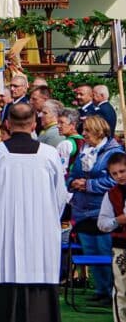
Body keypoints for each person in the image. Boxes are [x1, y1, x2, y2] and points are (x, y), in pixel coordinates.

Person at [0, 103, 67, 322]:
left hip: (5, 234)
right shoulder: (49, 155)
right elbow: (59, 197)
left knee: (7, 291)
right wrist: (47, 220)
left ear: (8, 124)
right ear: (34, 124)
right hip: (41, 237)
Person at [68, 115, 125, 302]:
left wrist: (89, 185)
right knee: (90, 251)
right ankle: (101, 289)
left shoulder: (113, 152)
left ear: (98, 131)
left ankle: (113, 291)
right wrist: (73, 182)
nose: (83, 134)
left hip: (102, 208)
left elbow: (113, 179)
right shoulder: (83, 151)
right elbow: (73, 173)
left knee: (105, 252)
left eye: (87, 130)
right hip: (82, 210)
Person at [97, 153, 126, 319]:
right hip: (120, 247)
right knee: (121, 291)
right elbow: (102, 223)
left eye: (122, 171)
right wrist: (117, 220)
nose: (119, 176)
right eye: (114, 173)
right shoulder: (110, 194)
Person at [56, 109, 84, 176]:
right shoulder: (84, 140)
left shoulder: (65, 144)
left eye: (61, 123)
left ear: (73, 125)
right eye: (58, 122)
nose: (58, 126)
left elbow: (61, 169)